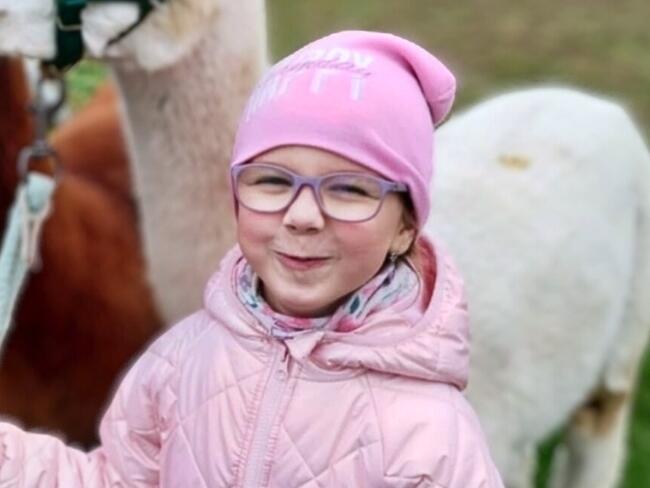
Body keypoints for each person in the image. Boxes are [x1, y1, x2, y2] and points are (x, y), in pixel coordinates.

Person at [0, 30, 504, 487]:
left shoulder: (429, 437)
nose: (302, 216)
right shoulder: (182, 361)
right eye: (272, 182)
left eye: (349, 190)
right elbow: (118, 478)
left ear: (405, 228)